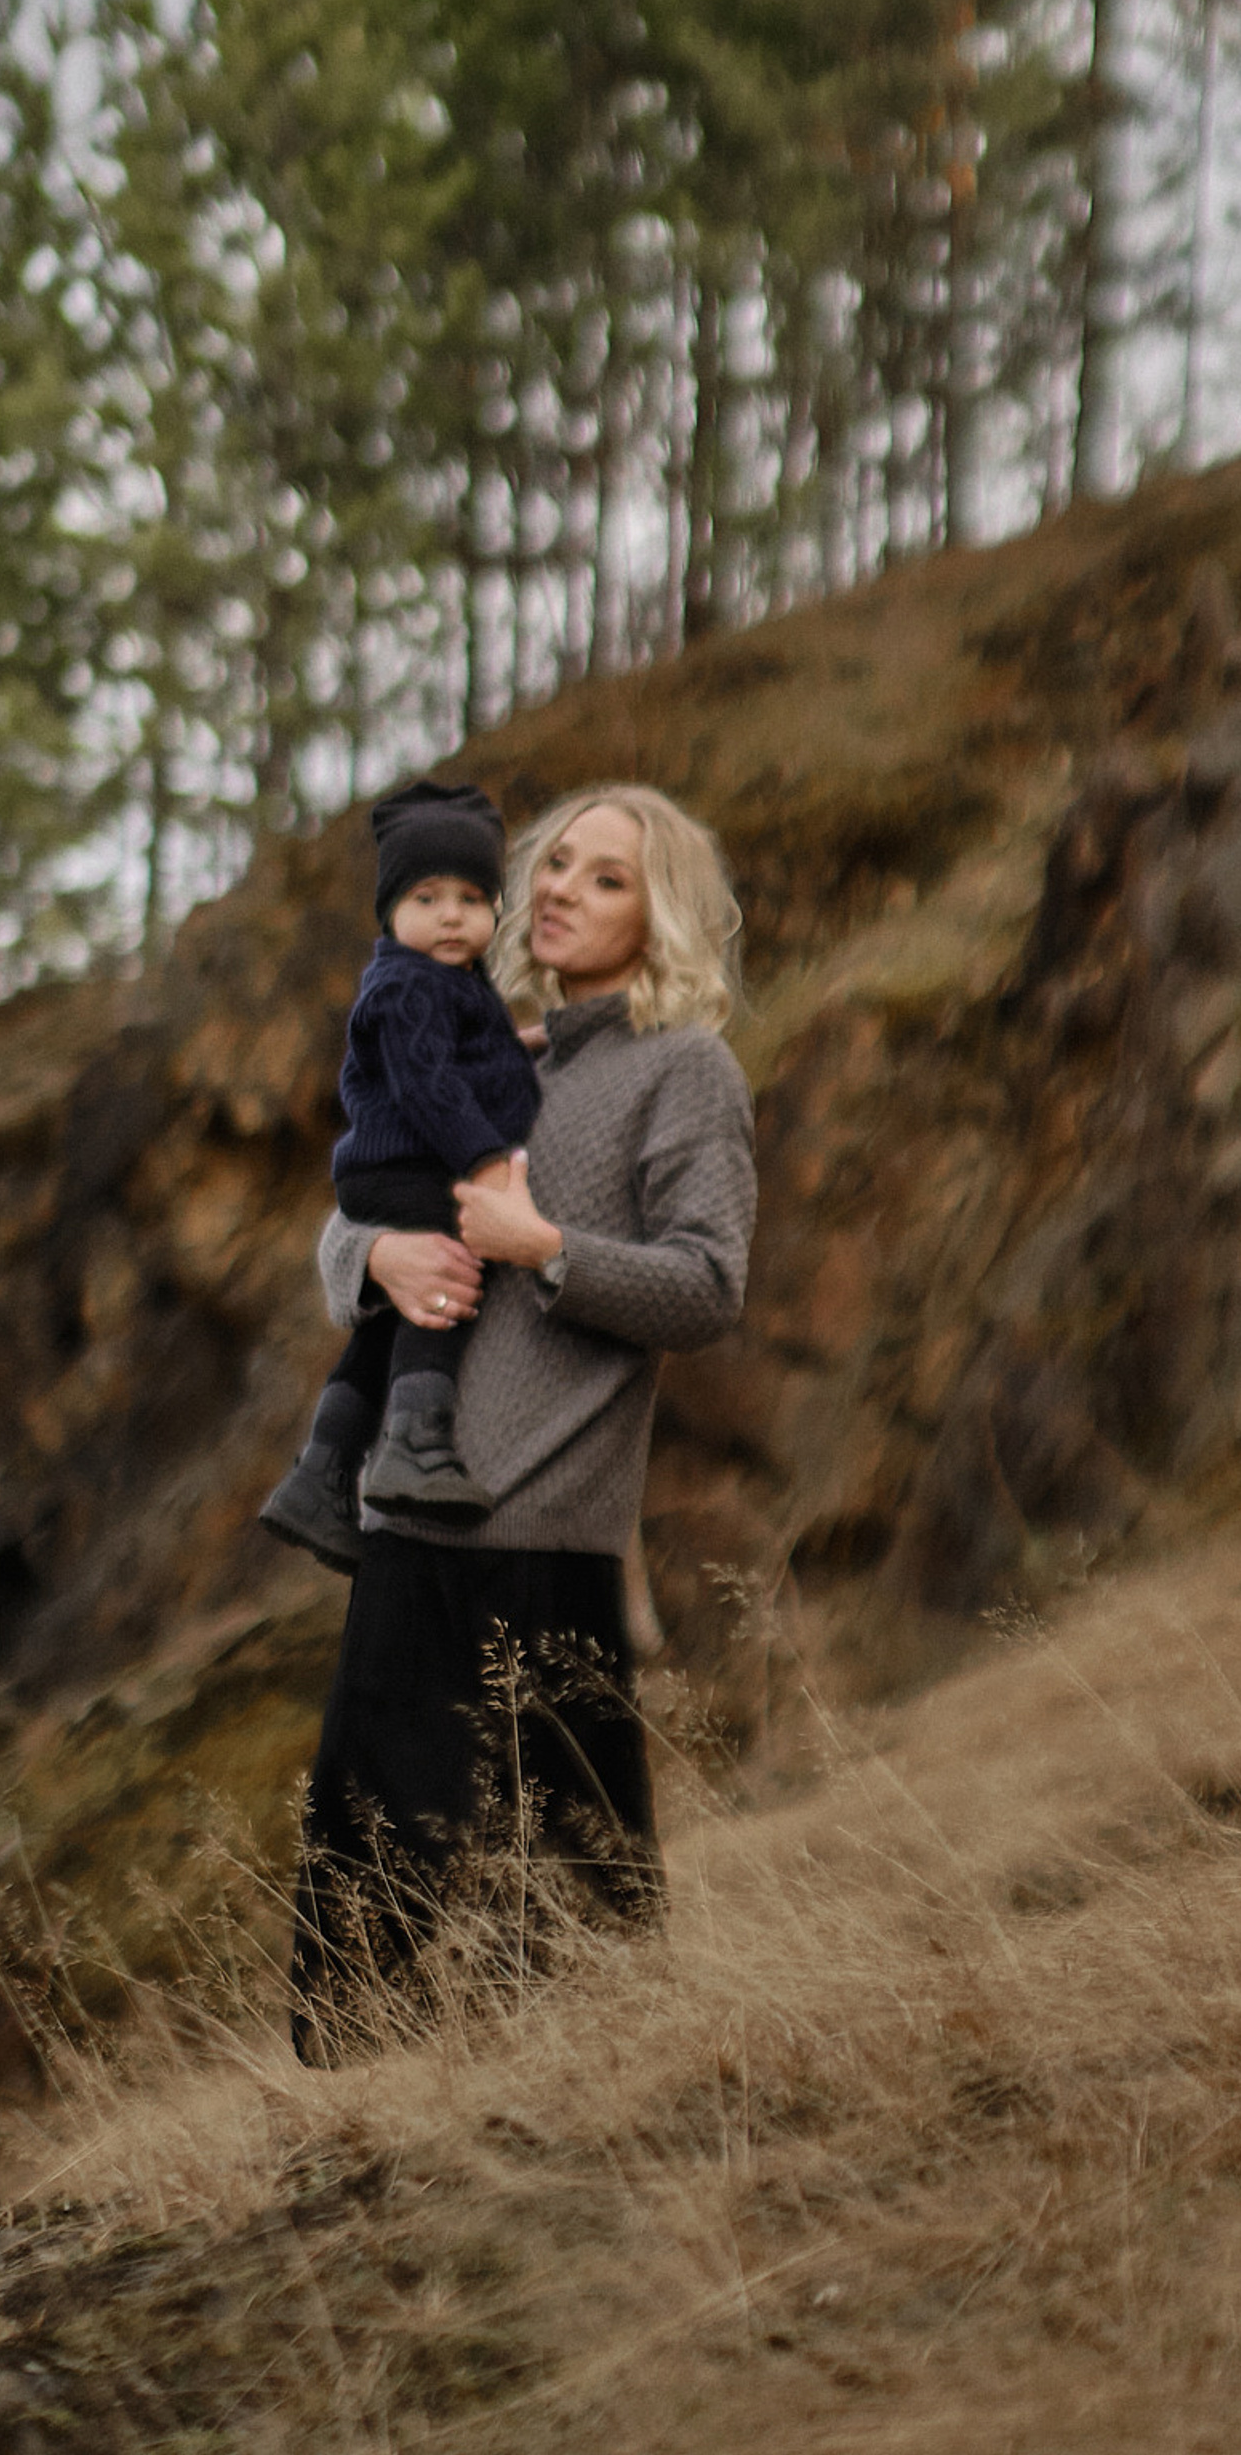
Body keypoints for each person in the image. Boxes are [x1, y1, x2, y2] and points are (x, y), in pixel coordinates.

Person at [288, 782, 756, 2059]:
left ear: (660, 914)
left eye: (606, 877)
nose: (559, 888)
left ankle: (605, 2149)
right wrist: (376, 1257)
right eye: (553, 862)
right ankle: (356, 2151)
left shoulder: (685, 1071)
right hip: (409, 1515)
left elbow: (709, 1285)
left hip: (544, 1536)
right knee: (363, 1903)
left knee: (571, 1918)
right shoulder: (489, 1048)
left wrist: (543, 1246)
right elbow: (355, 1212)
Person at [261, 779, 545, 1570]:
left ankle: (321, 1472)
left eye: (471, 898)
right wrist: (488, 1162)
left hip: (387, 1172)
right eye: (427, 898)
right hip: (406, 1170)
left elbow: (457, 1057)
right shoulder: (409, 985)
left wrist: (515, 1051)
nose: (452, 915)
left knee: (387, 1319)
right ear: (389, 911)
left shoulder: (443, 981)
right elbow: (428, 1086)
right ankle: (415, 1443)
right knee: (448, 1276)